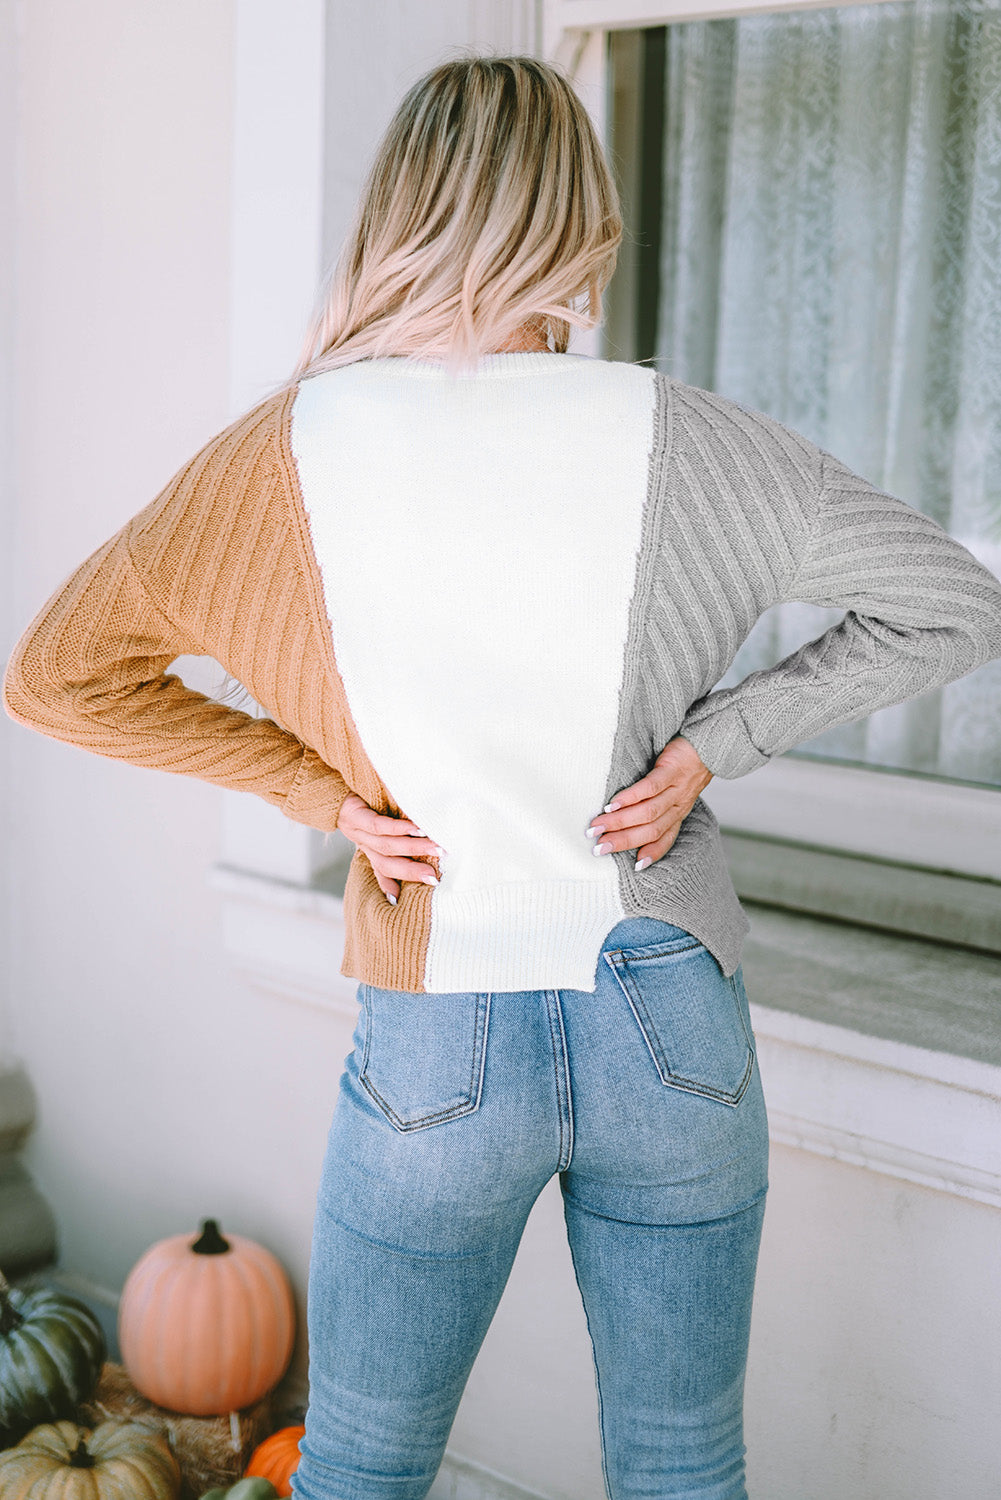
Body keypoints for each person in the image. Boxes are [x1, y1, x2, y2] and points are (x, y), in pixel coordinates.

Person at [5, 50, 1001, 1500]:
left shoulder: (278, 453)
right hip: (665, 1006)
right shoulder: (681, 434)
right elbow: (953, 601)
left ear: (399, 209)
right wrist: (716, 743)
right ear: (577, 219)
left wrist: (319, 796)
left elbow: (55, 672)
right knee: (678, 1465)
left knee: (358, 1464)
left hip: (436, 1036)